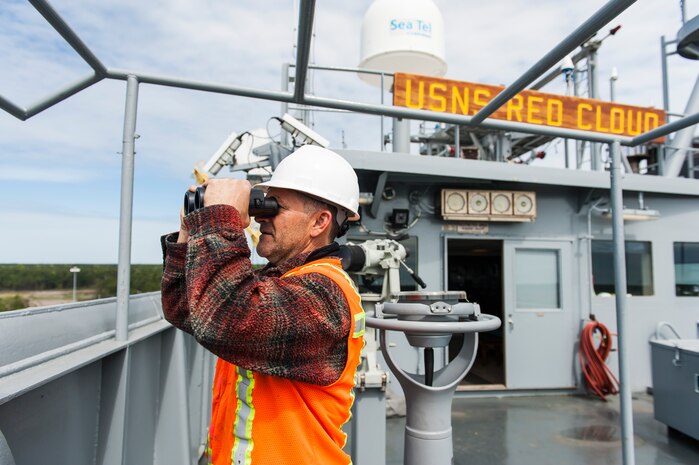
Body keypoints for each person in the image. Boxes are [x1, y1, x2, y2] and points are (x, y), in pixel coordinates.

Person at [160, 145, 365, 465]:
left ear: (319, 222)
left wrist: (220, 219)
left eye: (275, 207)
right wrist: (192, 230)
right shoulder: (279, 282)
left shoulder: (326, 294)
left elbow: (229, 318)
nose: (260, 218)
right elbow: (185, 308)